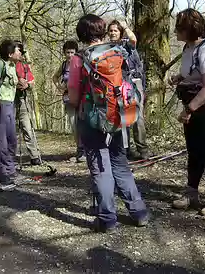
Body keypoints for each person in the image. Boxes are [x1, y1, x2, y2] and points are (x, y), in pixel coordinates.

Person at [68, 14, 149, 232]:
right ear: (102, 31)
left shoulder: (79, 59)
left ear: (82, 34)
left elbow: (74, 98)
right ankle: (139, 212)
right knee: (120, 165)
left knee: (101, 169)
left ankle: (107, 219)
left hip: (92, 119)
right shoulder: (117, 51)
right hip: (118, 115)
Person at [169, 8, 205, 217]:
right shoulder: (188, 48)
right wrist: (179, 78)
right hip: (194, 104)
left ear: (189, 29)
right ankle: (191, 193)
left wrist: (188, 110)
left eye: (179, 28)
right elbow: (195, 75)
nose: (175, 31)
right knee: (193, 150)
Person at [108, 19, 149, 160]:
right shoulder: (108, 48)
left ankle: (142, 149)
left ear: (120, 32)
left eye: (115, 30)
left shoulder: (127, 44)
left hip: (133, 82)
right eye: (111, 30)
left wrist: (125, 26)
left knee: (137, 117)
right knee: (122, 118)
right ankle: (125, 149)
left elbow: (133, 39)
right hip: (118, 84)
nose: (113, 33)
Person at [0, 40, 22, 188]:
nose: (20, 53)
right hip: (0, 106)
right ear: (10, 53)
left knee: (11, 139)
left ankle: (9, 169)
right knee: (1, 142)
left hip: (10, 105)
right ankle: (1, 173)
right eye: (18, 50)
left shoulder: (12, 66)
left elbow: (11, 85)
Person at [53, 40, 85, 162]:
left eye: (72, 52)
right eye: (67, 52)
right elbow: (55, 77)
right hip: (68, 99)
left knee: (83, 124)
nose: (70, 55)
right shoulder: (63, 65)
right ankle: (79, 149)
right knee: (74, 125)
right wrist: (60, 87)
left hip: (82, 98)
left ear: (76, 53)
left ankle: (85, 150)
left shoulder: (81, 64)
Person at [15, 42, 41, 166]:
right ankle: (7, 156)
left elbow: (32, 81)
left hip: (22, 99)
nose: (21, 54)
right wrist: (16, 83)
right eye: (18, 51)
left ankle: (34, 156)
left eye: (21, 52)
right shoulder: (5, 65)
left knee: (27, 127)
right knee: (8, 129)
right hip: (7, 101)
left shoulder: (24, 66)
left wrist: (27, 84)